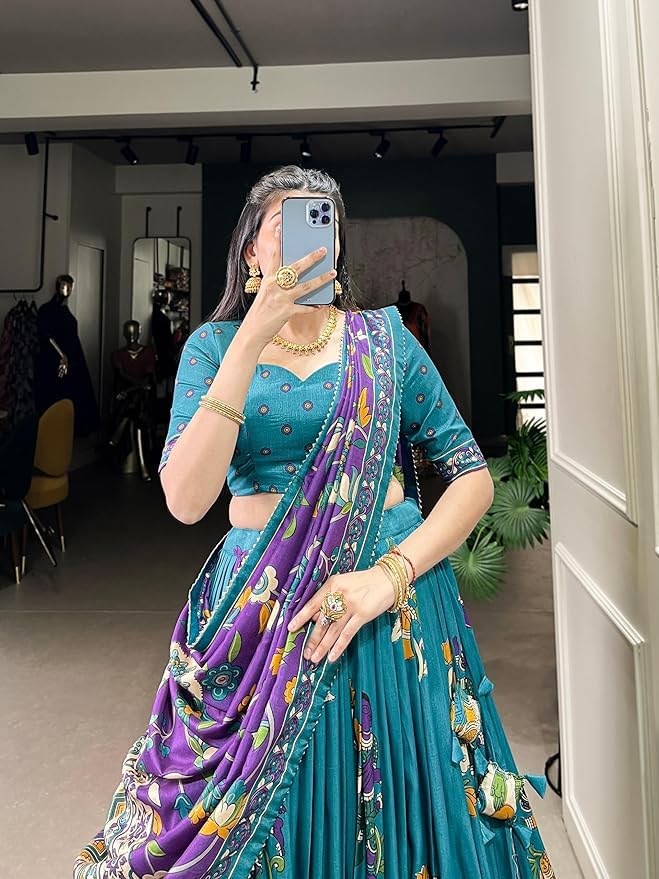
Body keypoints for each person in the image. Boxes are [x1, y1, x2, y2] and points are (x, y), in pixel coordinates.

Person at [73, 166, 556, 879]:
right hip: (264, 608)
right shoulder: (212, 349)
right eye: (287, 222)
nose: (307, 236)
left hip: (389, 607)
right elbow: (186, 500)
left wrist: (387, 577)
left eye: (322, 221)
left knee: (405, 789)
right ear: (251, 250)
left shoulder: (385, 342)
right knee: (269, 811)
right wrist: (250, 339)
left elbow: (472, 476)